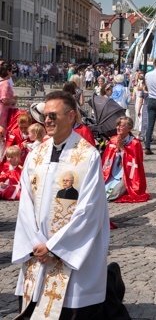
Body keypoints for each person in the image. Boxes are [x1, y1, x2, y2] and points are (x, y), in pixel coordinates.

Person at [12, 90, 110, 319]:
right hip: (37, 251)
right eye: (45, 116)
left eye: (54, 115)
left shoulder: (88, 156)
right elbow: (25, 203)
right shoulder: (36, 154)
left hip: (70, 252)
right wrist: (37, 243)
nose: (47, 120)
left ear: (71, 116)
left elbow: (89, 209)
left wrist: (55, 247)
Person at [101, 116, 150, 203]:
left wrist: (122, 149)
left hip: (126, 175)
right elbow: (106, 159)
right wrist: (115, 152)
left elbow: (136, 163)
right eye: (117, 125)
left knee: (114, 194)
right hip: (111, 173)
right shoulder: (113, 139)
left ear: (129, 128)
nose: (118, 128)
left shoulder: (135, 143)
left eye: (121, 126)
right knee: (98, 190)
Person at [0, 62, 18, 131]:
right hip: (3, 111)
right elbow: (4, 99)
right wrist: (13, 100)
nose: (12, 73)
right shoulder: (5, 83)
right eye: (11, 71)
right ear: (8, 71)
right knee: (3, 131)